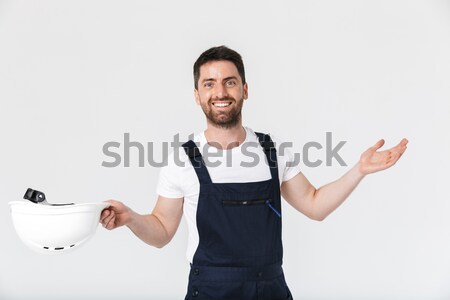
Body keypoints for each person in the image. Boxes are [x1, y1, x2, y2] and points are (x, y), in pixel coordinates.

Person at [100, 46, 408, 300]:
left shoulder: (272, 150)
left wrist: (359, 170)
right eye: (209, 84)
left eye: (230, 82)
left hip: (270, 289)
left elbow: (314, 205)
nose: (220, 92)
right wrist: (130, 219)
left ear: (245, 90)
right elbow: (162, 230)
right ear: (197, 95)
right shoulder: (181, 159)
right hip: (210, 290)